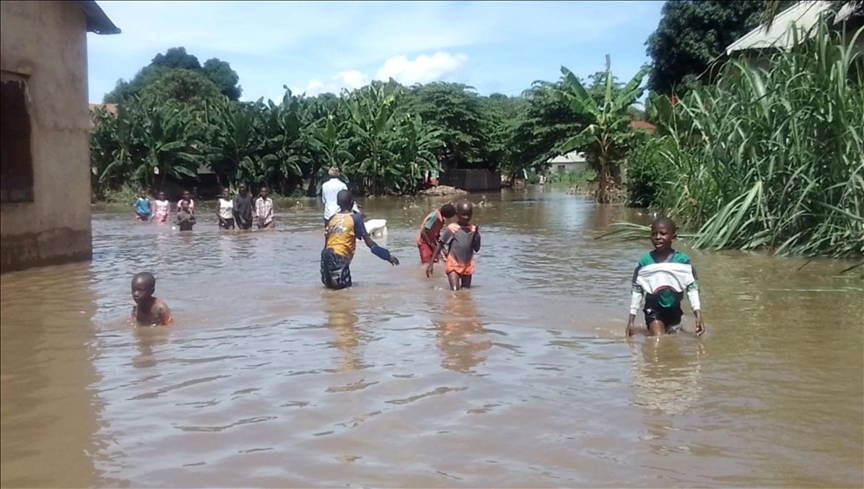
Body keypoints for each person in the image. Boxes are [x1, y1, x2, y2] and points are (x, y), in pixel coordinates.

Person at [626, 217, 705, 337]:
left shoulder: (682, 261)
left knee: (673, 344)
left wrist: (698, 316)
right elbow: (637, 290)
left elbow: (692, 289)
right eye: (654, 234)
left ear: (673, 237)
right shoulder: (645, 261)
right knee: (659, 340)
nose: (658, 237)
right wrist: (631, 321)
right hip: (653, 308)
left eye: (663, 234)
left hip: (674, 310)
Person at [321, 190, 399, 290]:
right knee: (344, 292)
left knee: (330, 290)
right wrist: (387, 256)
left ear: (337, 203)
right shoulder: (356, 218)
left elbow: (326, 242)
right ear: (352, 203)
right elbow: (370, 243)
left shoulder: (332, 218)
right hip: (339, 257)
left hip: (326, 256)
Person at [426, 200, 481, 291]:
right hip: (454, 263)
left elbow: (476, 248)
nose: (466, 217)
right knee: (455, 292)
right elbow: (440, 244)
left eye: (469, 214)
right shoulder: (452, 228)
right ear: (457, 215)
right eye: (463, 214)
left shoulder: (473, 229)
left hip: (467, 264)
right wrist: (431, 263)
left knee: (465, 292)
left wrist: (477, 236)